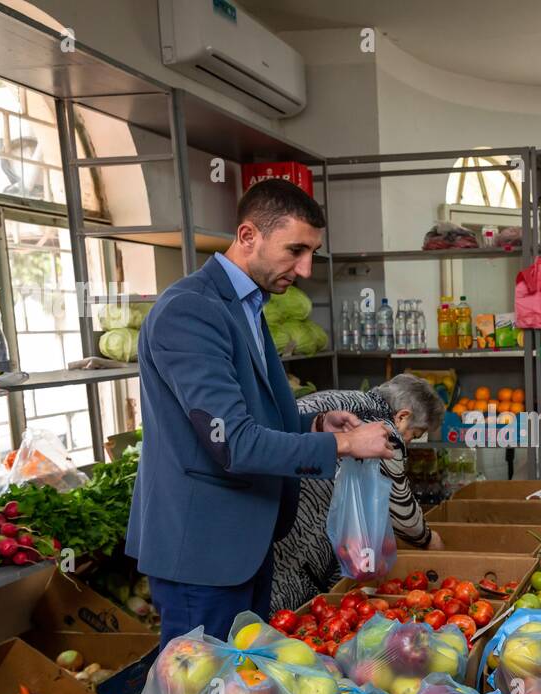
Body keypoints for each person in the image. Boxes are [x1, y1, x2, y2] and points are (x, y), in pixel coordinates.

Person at [127, 178, 395, 647]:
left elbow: (252, 411)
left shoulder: (247, 303)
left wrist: (312, 423)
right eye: (295, 250)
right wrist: (345, 443)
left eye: (311, 252)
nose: (306, 268)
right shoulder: (190, 311)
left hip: (244, 543)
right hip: (203, 551)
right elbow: (231, 440)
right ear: (248, 235)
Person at [271, 375, 446, 612]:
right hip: (296, 536)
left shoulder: (344, 400)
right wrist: (429, 539)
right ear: (402, 417)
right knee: (289, 612)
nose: (409, 443)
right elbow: (401, 511)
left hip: (268, 517)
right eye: (413, 435)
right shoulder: (383, 429)